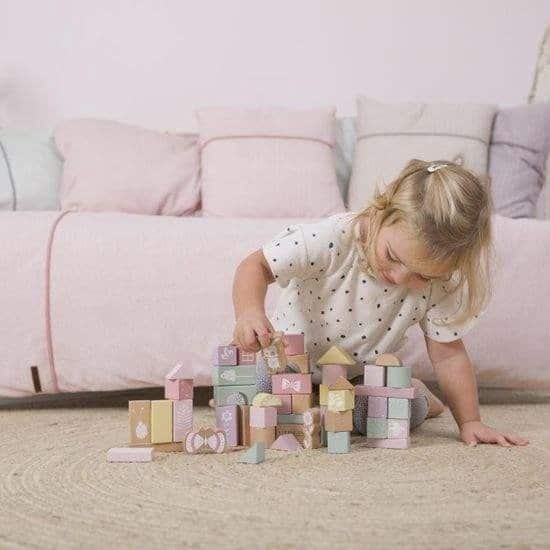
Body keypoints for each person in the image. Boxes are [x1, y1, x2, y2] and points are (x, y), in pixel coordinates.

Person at [231, 158, 529, 447]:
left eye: (422, 276)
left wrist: (470, 422)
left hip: (359, 379)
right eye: (393, 257)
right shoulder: (333, 239)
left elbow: (448, 356)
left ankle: (419, 395)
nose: (400, 277)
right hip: (289, 365)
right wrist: (249, 313)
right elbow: (255, 266)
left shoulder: (438, 284)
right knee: (261, 393)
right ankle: (314, 404)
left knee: (378, 420)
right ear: (381, 212)